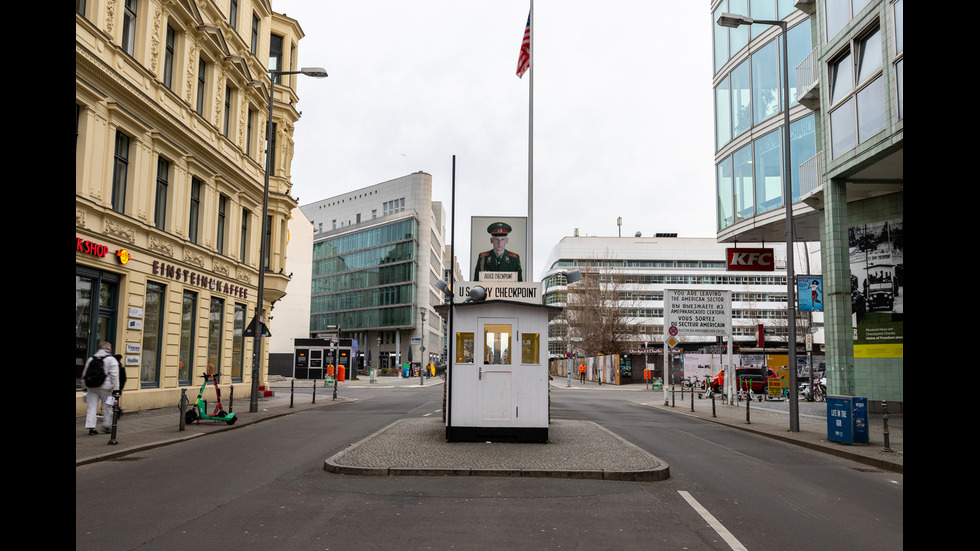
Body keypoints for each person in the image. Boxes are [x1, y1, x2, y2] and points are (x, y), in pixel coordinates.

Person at [82, 342, 120, 435]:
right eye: (110, 347)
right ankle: (107, 426)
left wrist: (84, 386)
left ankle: (91, 428)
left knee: (91, 406)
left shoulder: (91, 359)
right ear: (108, 349)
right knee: (107, 406)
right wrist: (116, 389)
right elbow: (114, 375)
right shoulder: (111, 360)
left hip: (92, 387)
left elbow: (84, 374)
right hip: (106, 388)